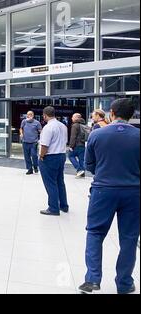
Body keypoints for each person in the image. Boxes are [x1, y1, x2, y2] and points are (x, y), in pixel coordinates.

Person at [79, 98, 140, 295]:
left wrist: (104, 173)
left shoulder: (97, 134)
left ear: (112, 113)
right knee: (129, 238)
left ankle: (92, 279)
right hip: (134, 192)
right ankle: (124, 284)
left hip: (103, 190)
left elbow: (89, 164)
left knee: (95, 233)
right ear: (132, 115)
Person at [38, 106, 69, 216]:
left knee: (50, 183)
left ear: (45, 115)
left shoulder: (48, 127)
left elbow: (45, 145)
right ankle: (63, 206)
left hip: (50, 157)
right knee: (60, 181)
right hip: (61, 155)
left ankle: (53, 208)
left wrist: (41, 156)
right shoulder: (63, 126)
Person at [20, 111, 42, 175]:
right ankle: (29, 169)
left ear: (33, 115)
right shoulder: (24, 121)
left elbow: (41, 131)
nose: (28, 116)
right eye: (27, 114)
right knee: (27, 156)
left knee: (34, 155)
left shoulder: (37, 123)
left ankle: (35, 166)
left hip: (33, 142)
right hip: (25, 142)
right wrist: (21, 133)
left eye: (30, 114)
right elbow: (21, 128)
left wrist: (41, 139)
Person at [68, 113, 88, 178]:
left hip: (76, 145)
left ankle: (79, 169)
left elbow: (73, 136)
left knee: (70, 156)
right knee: (81, 159)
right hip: (83, 144)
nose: (72, 118)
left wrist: (71, 146)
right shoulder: (84, 125)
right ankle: (82, 174)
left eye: (73, 117)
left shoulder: (75, 125)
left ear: (76, 118)